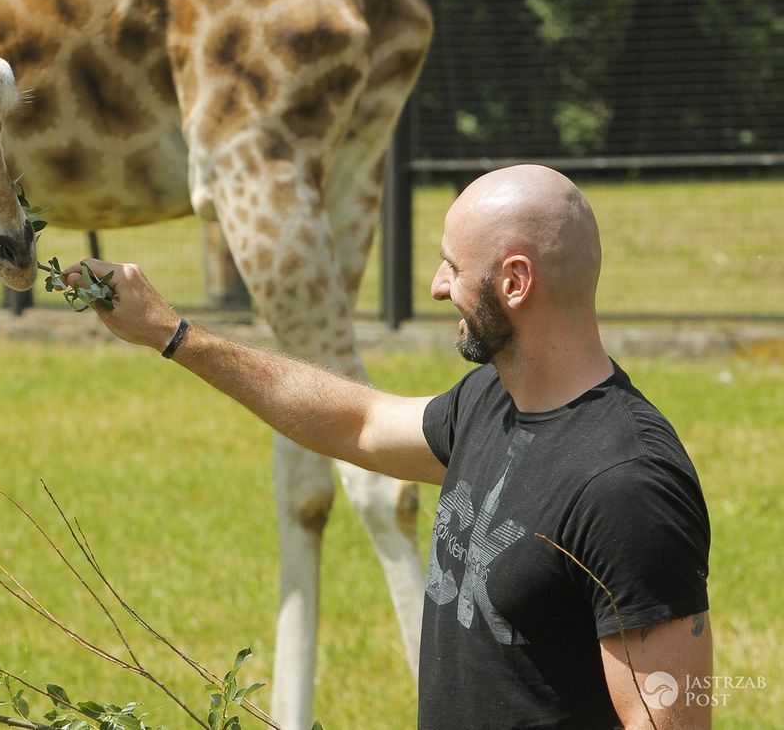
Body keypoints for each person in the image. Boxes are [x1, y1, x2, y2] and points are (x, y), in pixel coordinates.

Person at [64, 164, 712, 729]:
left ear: (515, 282)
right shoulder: (489, 403)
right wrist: (171, 333)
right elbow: (359, 423)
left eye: (454, 267)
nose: (435, 286)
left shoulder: (625, 485)